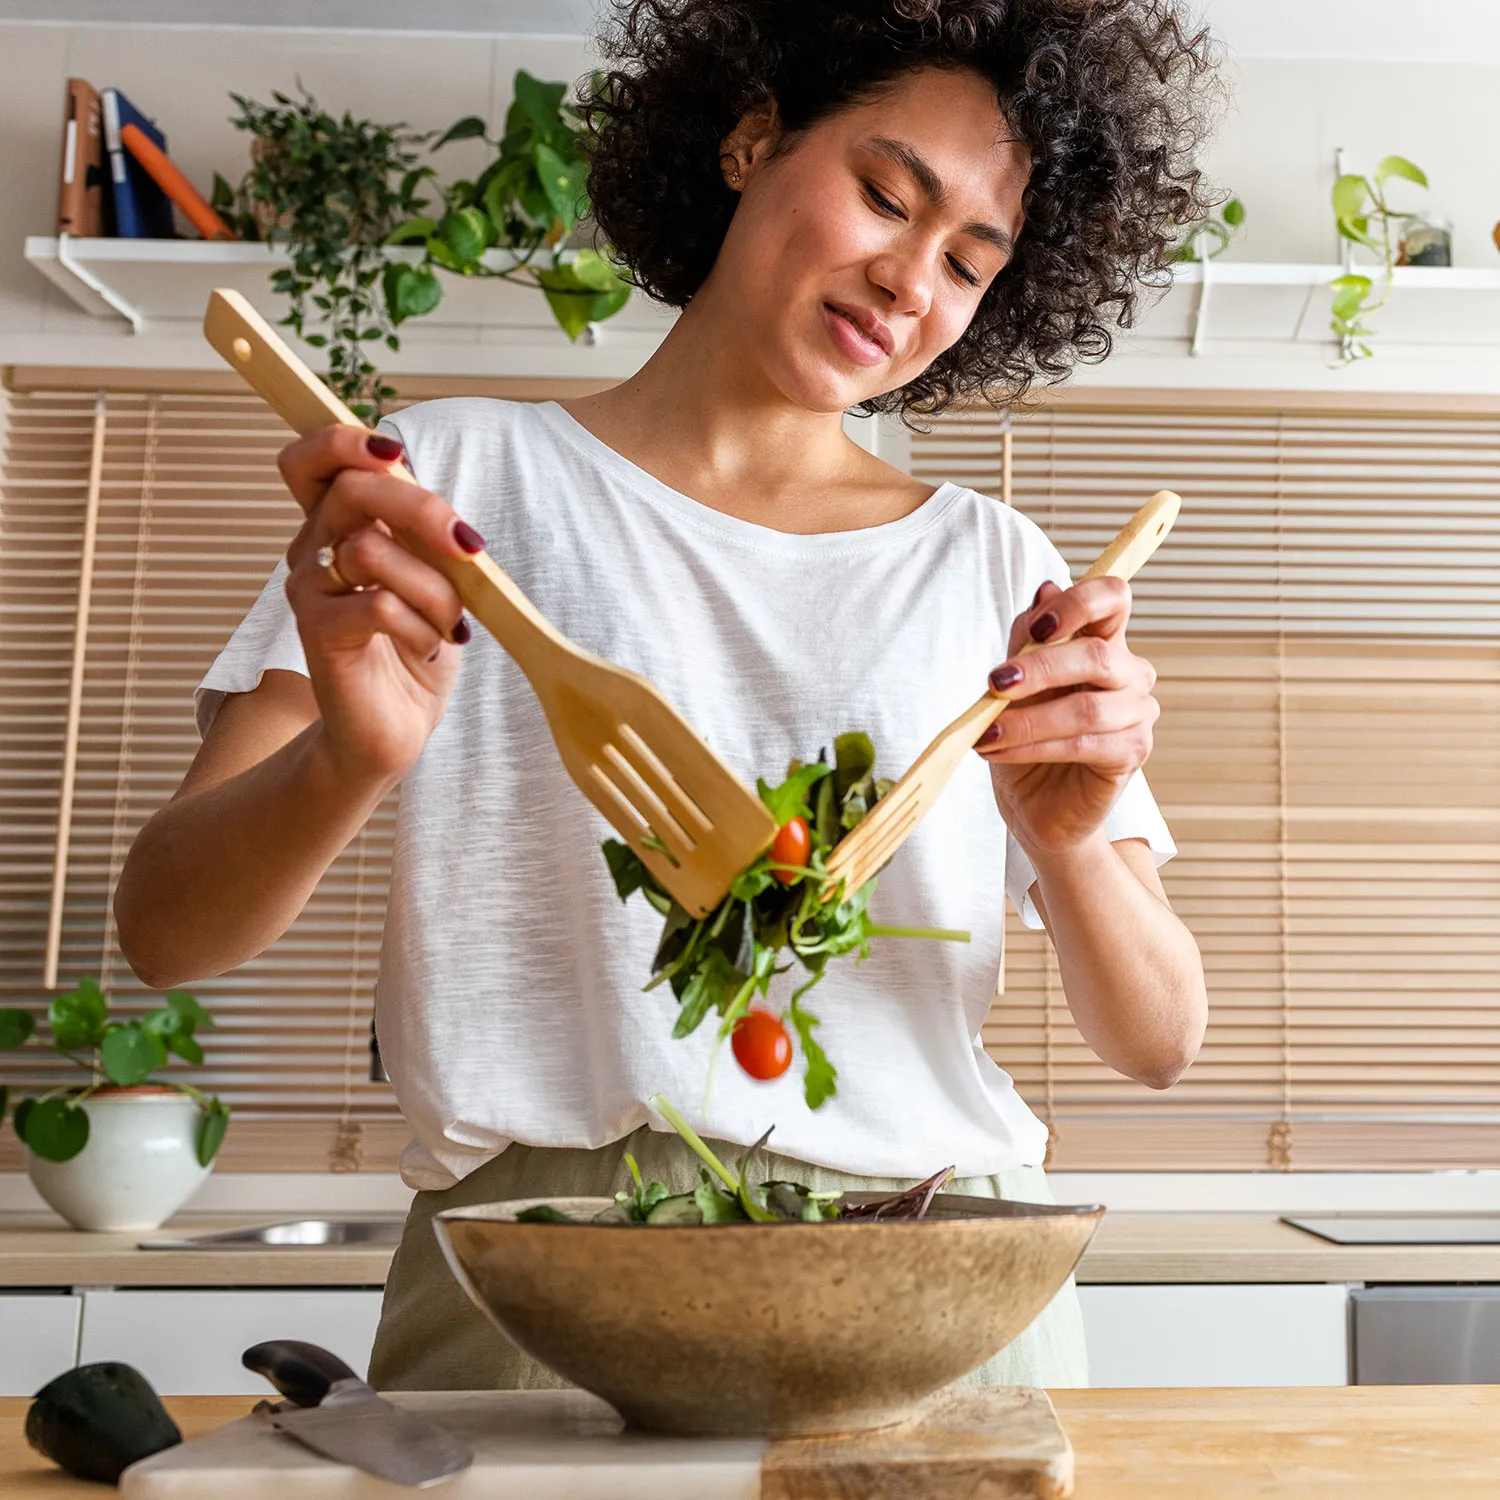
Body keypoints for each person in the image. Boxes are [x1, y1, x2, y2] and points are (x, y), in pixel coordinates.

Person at [116, 0, 1214, 1390]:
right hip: (537, 1273)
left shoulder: (993, 564)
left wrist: (1068, 842)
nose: (907, 283)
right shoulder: (446, 489)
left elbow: (1161, 1035)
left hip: (932, 1274)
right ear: (752, 136)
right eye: (886, 195)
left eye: (968, 263)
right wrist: (350, 758)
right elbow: (164, 936)